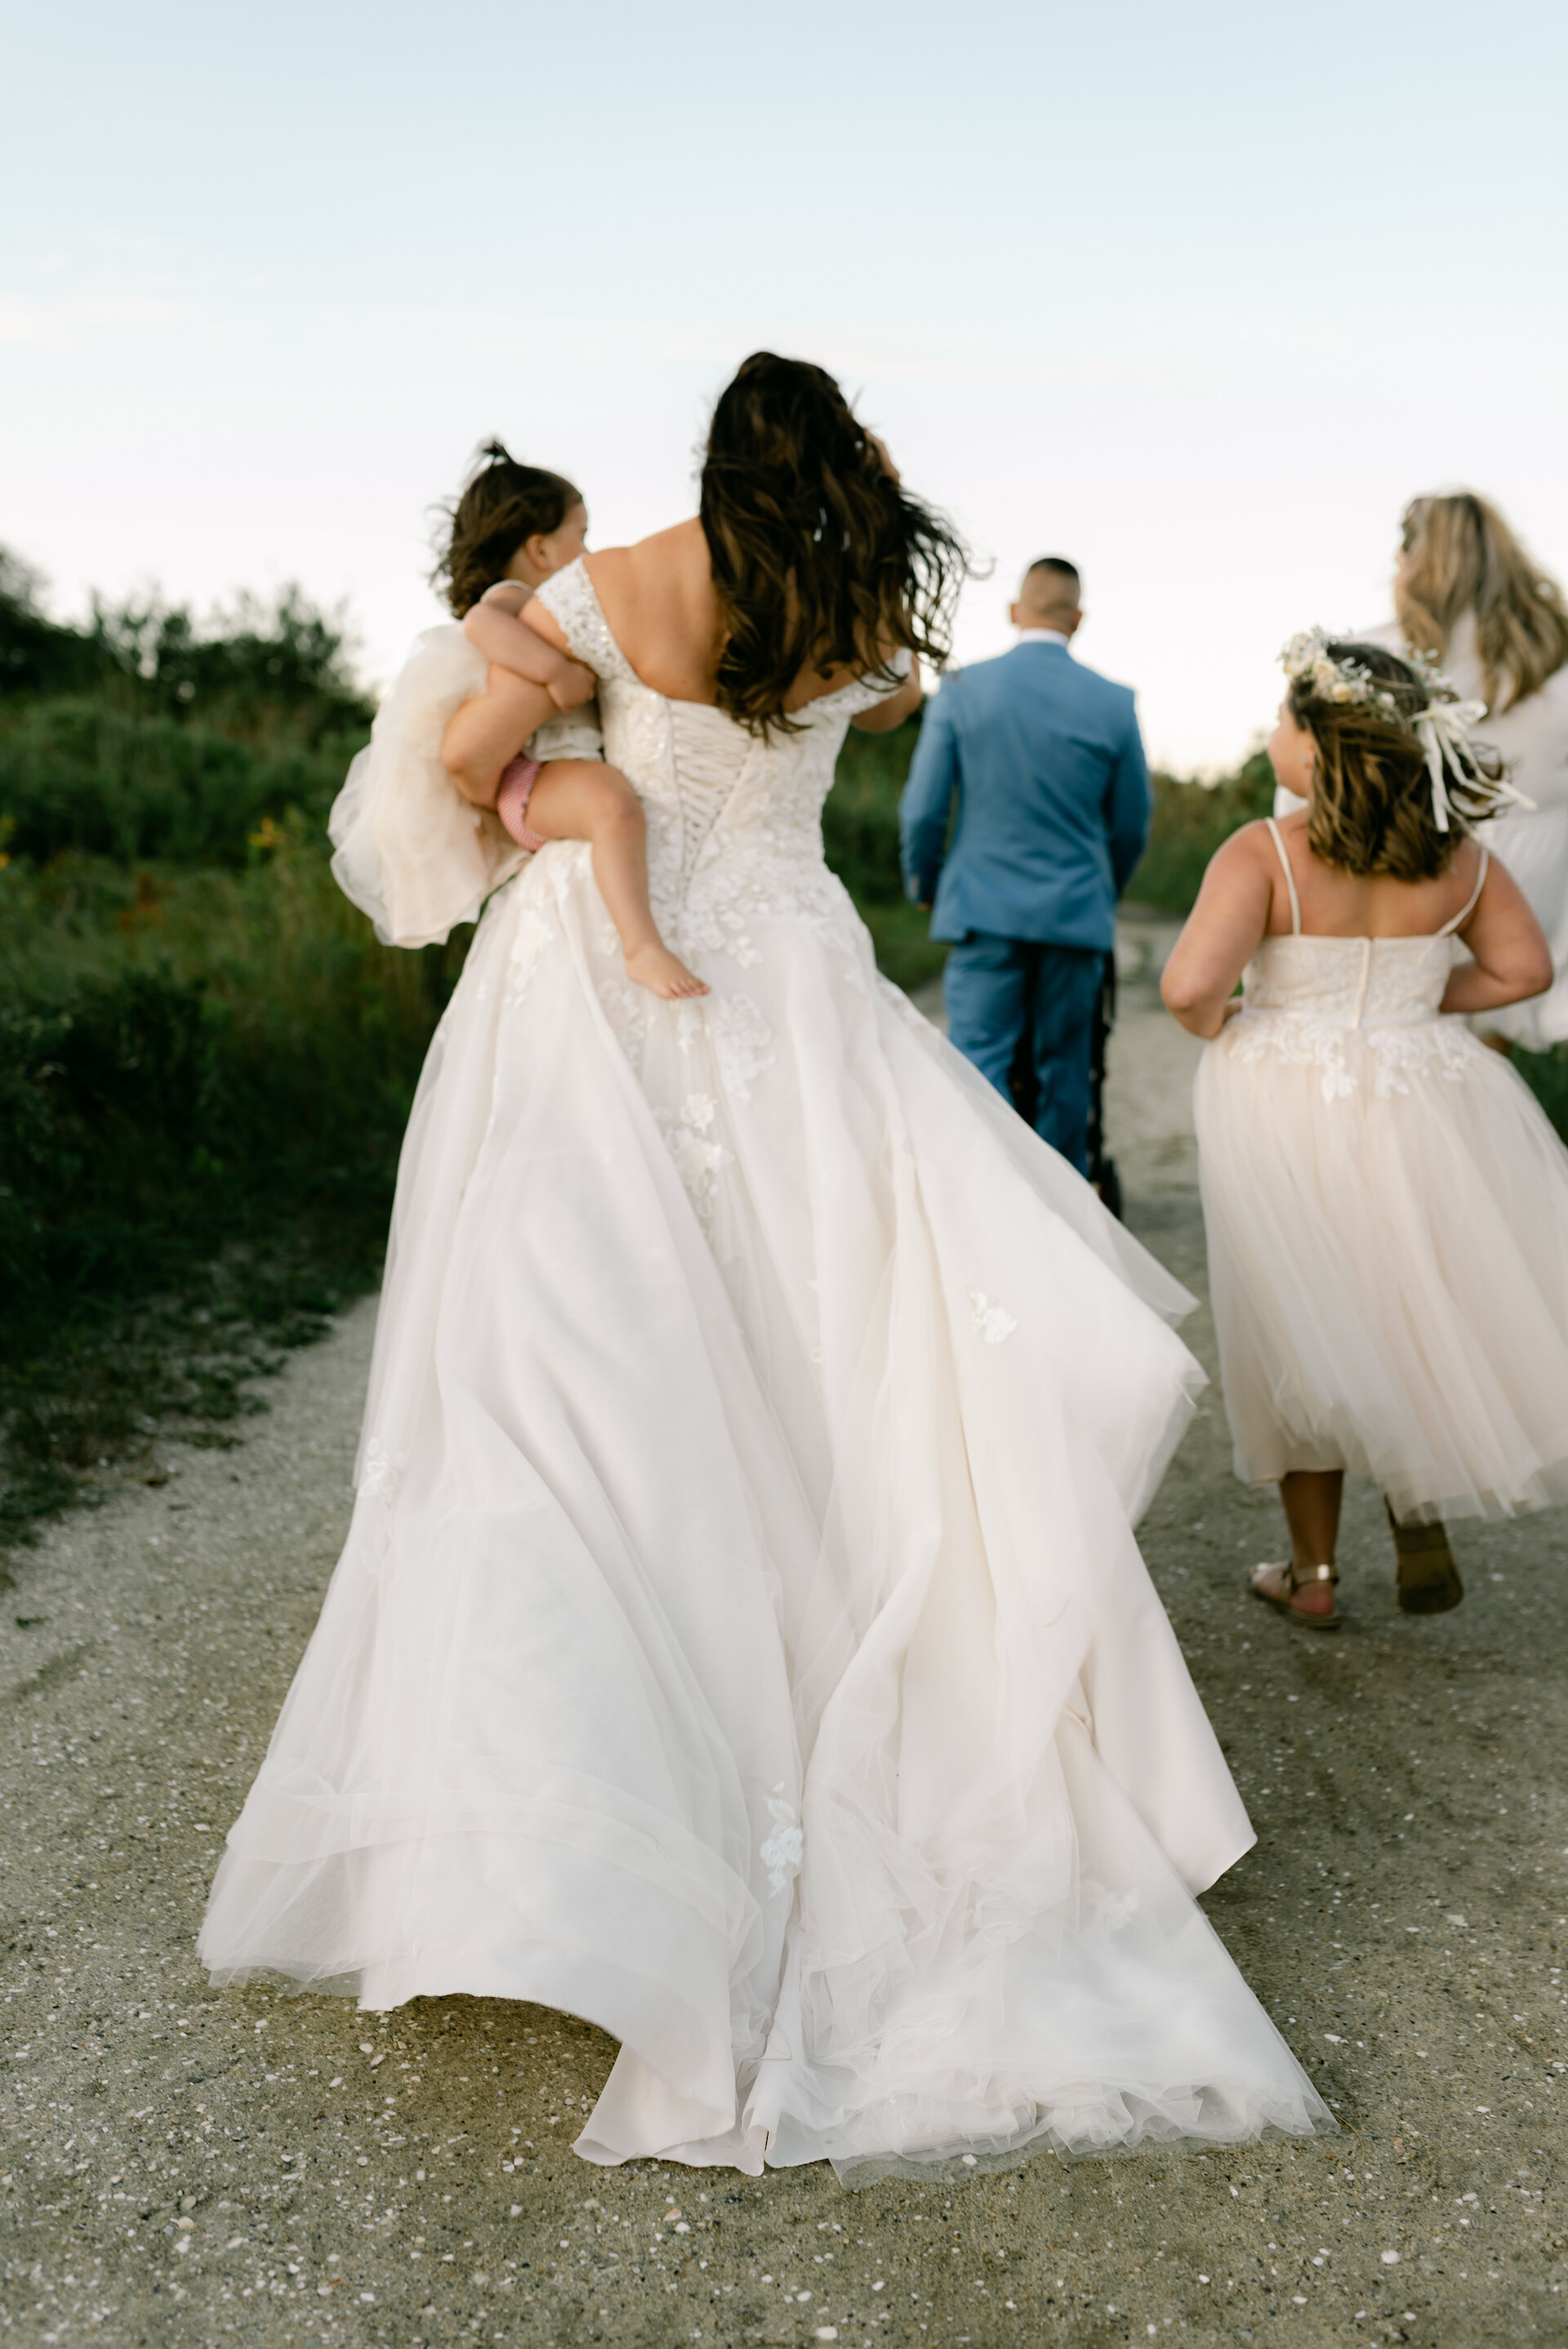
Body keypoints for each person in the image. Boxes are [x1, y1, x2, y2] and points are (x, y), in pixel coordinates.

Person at [201, 354, 1329, 2179]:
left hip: (605, 1006)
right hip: (794, 999)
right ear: (843, 471)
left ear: (719, 451)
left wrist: (532, 775)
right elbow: (870, 715)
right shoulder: (859, 616)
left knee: (561, 1386)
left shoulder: (618, 575)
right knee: (841, 1381)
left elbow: (478, 753)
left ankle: (568, 1824)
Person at [1163, 631, 1568, 1629]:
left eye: (1283, 719)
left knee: (1303, 1319)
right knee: (1404, 1297)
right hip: (1421, 1088)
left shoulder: (1266, 851)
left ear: (1320, 745)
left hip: (1289, 1093)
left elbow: (1188, 989)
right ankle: (1414, 1500)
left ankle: (1314, 1576)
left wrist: (1235, 1019)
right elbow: (1526, 973)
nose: (1271, 732)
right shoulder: (1459, 855)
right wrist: (1419, 994)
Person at [330, 440, 707, 997]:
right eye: (581, 535)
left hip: (547, 775)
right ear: (540, 550)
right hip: (531, 779)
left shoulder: (550, 602)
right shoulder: (518, 597)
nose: (589, 550)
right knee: (612, 805)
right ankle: (641, 946)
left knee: (614, 805)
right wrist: (554, 672)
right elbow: (483, 625)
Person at [898, 556, 1151, 1176]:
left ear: (1016, 611)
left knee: (978, 1063)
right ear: (1079, 618)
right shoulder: (1114, 704)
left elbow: (924, 810)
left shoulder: (960, 689)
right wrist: (1100, 892)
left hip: (983, 909)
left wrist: (925, 883)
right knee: (1066, 1068)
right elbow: (1131, 824)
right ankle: (1064, 1213)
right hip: (1076, 915)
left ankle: (987, 1200)